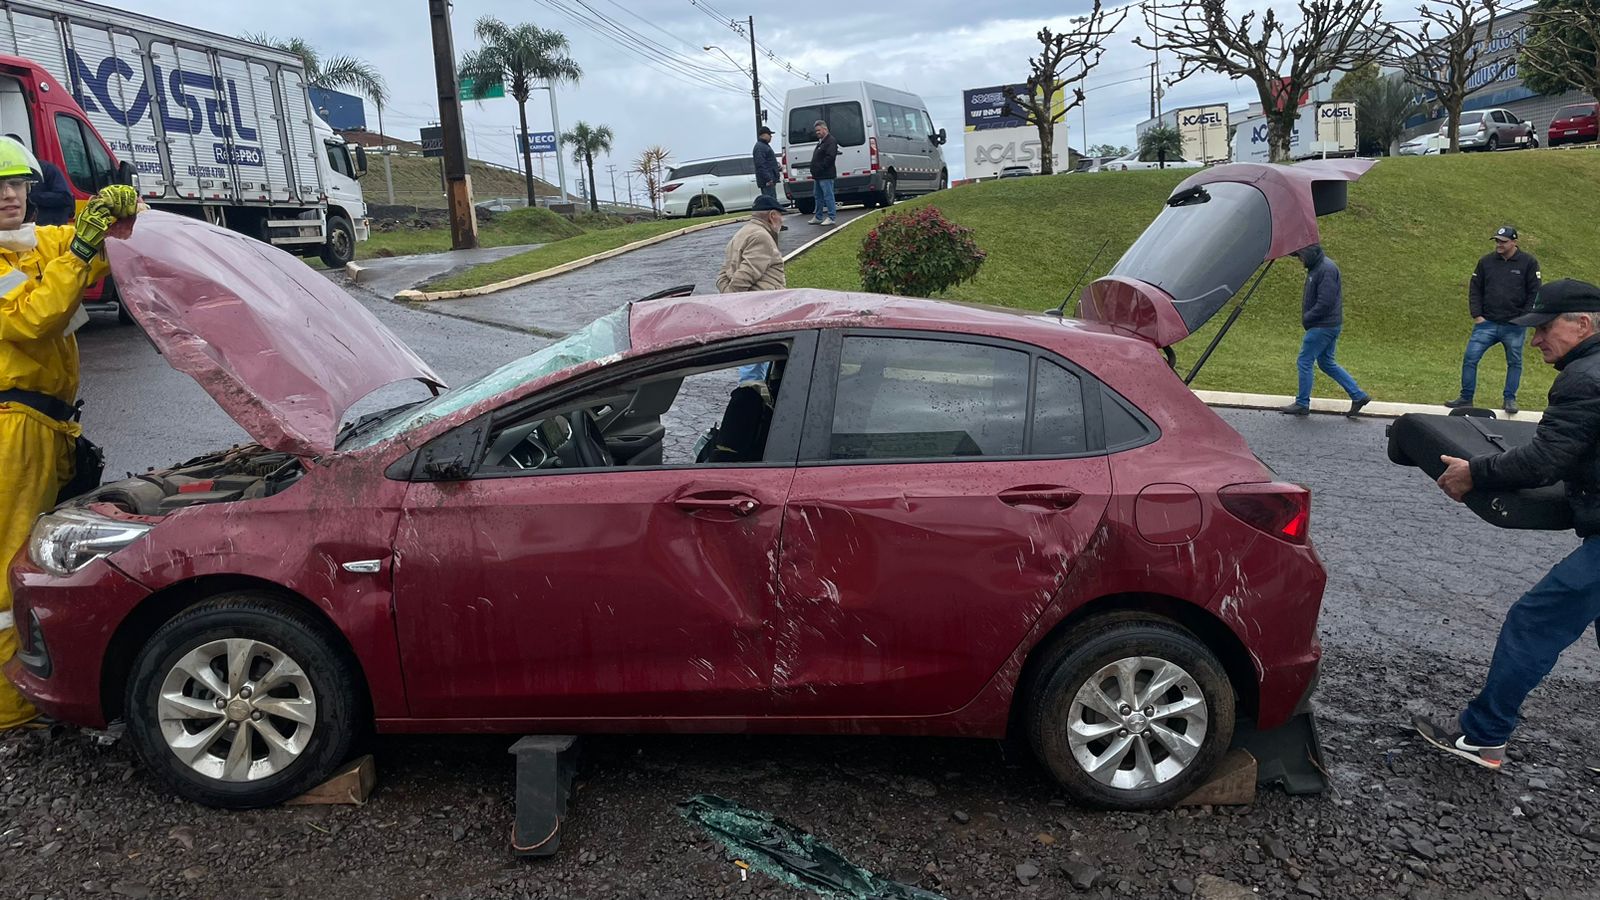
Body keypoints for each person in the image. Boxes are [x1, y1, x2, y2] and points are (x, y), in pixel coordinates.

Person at [1417, 279, 1600, 769]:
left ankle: (1482, 736)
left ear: (1582, 324)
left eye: (1544, 328)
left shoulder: (1584, 378)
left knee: (1535, 622)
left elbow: (1546, 459)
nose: (1536, 339)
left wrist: (1473, 472)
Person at [0, 137, 140, 729]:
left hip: (50, 424)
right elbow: (35, 318)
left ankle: (37, 684)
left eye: (14, 184)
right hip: (11, 427)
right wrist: (84, 244)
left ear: (31, 188)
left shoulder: (44, 244)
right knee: (8, 561)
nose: (6, 197)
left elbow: (101, 245)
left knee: (42, 552)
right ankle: (9, 707)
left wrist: (124, 208)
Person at [1446, 225, 1541, 415]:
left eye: (1503, 242)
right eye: (1497, 241)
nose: (1499, 245)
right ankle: (1466, 398)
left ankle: (1510, 398)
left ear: (1514, 242)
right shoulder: (1486, 262)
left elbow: (1534, 292)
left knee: (1514, 362)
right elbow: (1475, 289)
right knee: (1470, 358)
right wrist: (1477, 315)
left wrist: (1524, 318)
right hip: (1487, 322)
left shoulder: (1529, 263)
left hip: (1514, 325)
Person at [1279, 243, 1371, 417]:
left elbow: (1325, 302)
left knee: (1304, 360)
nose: (1300, 260)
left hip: (1322, 326)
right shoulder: (1319, 266)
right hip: (1329, 324)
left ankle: (1302, 403)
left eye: (1300, 256)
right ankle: (1358, 395)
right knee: (1326, 362)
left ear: (1308, 254)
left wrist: (1308, 317)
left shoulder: (1325, 269)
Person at [717, 194, 786, 382]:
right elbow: (747, 273)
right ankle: (751, 401)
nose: (782, 219)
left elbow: (723, 273)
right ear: (772, 215)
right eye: (781, 215)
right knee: (756, 364)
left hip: (749, 308)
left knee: (754, 361)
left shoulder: (740, 234)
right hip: (762, 308)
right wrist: (732, 299)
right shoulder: (761, 236)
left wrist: (726, 297)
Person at [4, 135, 71, 227]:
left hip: (48, 229)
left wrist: (31, 196)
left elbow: (65, 197)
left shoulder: (46, 169)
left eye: (17, 184)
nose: (10, 194)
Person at [807, 119, 839, 227]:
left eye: (819, 130)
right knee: (818, 196)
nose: (817, 133)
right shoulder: (821, 142)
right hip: (818, 175)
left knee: (828, 195)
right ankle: (818, 216)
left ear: (825, 129)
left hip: (826, 174)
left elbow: (830, 157)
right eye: (816, 131)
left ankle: (831, 217)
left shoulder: (831, 141)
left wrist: (820, 167)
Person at [753, 125, 780, 202]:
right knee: (770, 201)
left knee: (771, 200)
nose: (771, 136)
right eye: (769, 134)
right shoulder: (760, 147)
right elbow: (760, 165)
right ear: (764, 135)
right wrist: (768, 178)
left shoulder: (764, 146)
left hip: (770, 179)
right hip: (767, 181)